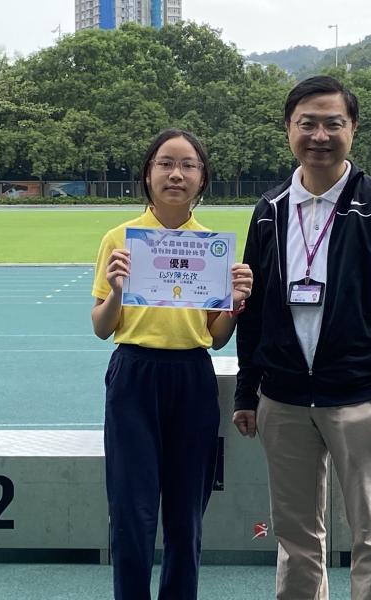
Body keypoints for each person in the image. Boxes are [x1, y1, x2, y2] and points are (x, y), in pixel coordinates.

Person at [233, 76, 371, 600]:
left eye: (332, 123)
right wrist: (248, 391)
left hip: (358, 397)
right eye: (307, 123)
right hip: (284, 397)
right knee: (296, 534)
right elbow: (251, 312)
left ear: (353, 129)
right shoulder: (269, 209)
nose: (319, 134)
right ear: (288, 129)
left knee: (370, 532)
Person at [91, 128, 253, 600]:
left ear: (203, 179)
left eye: (188, 165)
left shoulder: (212, 247)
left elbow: (216, 338)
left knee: (186, 514)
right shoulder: (119, 239)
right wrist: (117, 289)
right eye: (165, 163)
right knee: (132, 511)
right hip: (133, 376)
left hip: (192, 377)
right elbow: (102, 328)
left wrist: (236, 304)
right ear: (148, 174)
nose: (176, 174)